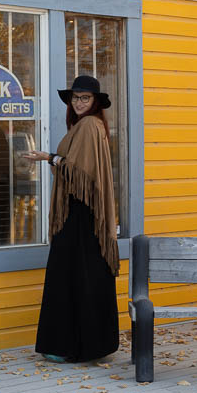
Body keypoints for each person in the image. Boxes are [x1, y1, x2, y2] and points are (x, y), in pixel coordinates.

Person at [22, 75, 119, 363]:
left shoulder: (89, 125)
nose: (78, 103)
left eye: (84, 98)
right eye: (75, 98)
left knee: (71, 275)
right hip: (84, 212)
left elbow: (80, 172)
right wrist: (52, 158)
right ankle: (89, 345)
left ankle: (69, 346)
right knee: (81, 275)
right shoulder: (90, 126)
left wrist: (48, 158)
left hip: (81, 213)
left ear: (95, 102)